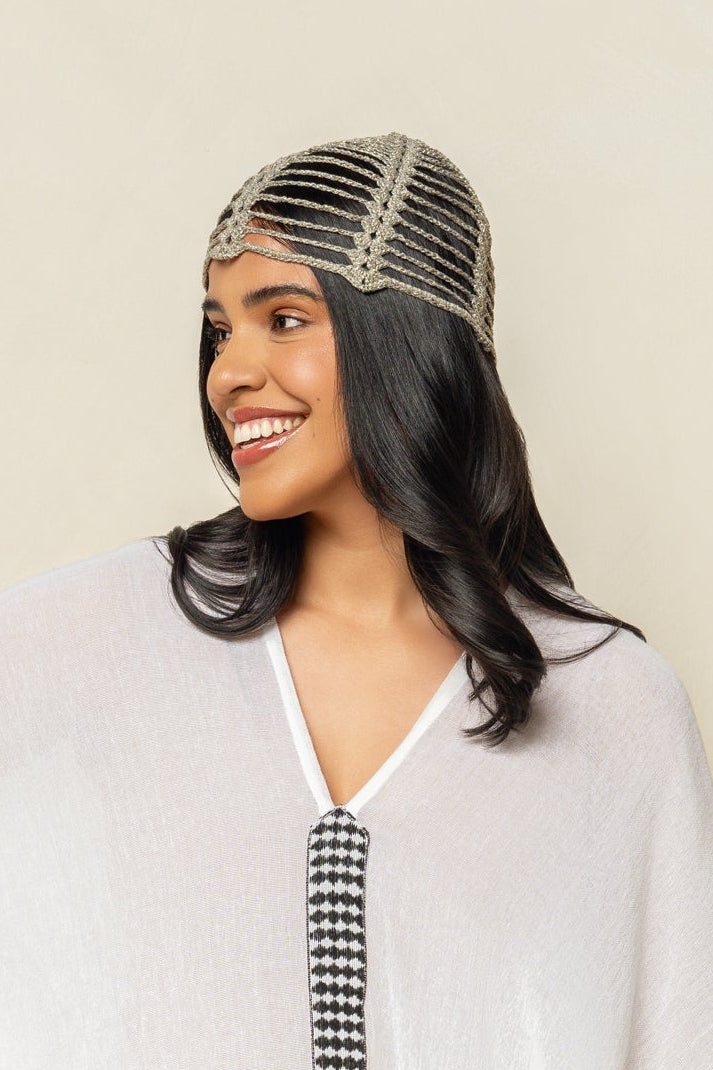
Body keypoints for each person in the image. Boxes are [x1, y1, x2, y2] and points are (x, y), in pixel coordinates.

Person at [1, 131, 711, 1069]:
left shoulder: (613, 710)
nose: (228, 373)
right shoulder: (71, 645)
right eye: (219, 328)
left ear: (407, 345)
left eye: (283, 319)